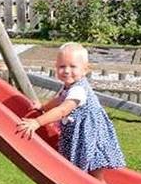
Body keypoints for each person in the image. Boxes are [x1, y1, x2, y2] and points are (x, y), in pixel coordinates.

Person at [16, 41, 125, 174]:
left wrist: (37, 122)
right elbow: (58, 100)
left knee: (93, 169)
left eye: (73, 66)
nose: (67, 71)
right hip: (79, 134)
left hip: (91, 137)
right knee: (80, 165)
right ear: (56, 67)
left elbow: (62, 110)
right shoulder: (69, 86)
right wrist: (43, 107)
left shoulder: (78, 90)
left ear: (85, 69)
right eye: (62, 66)